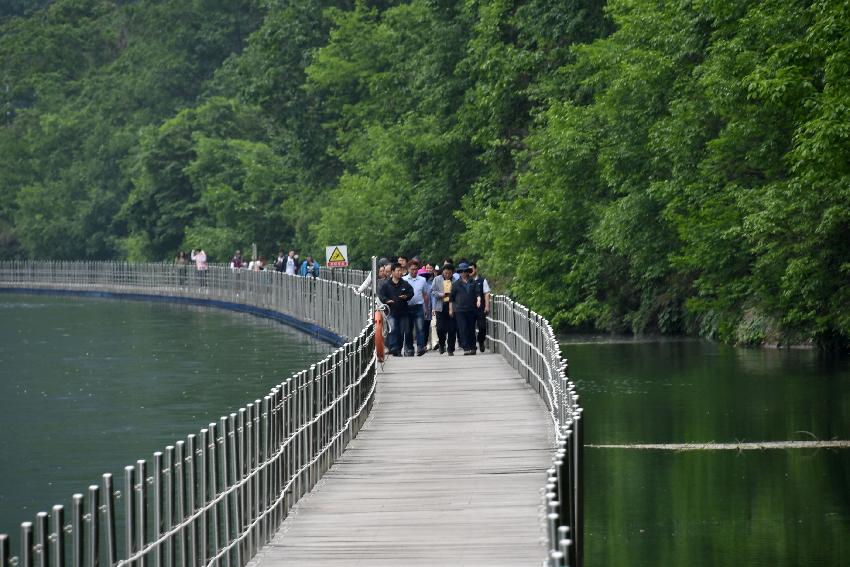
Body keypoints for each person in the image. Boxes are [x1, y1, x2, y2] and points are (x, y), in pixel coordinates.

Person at [378, 262, 414, 357]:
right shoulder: (386, 284)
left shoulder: (405, 284)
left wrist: (406, 297)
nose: (400, 272)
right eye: (398, 271)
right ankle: (393, 347)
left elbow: (411, 293)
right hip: (391, 311)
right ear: (392, 272)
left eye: (401, 271)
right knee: (393, 329)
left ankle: (398, 349)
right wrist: (386, 300)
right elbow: (381, 295)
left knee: (402, 331)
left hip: (403, 311)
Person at [449, 262, 478, 355]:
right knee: (462, 328)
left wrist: (479, 300)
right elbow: (451, 298)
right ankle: (466, 347)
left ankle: (473, 347)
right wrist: (451, 309)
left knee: (471, 328)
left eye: (465, 271)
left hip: (471, 308)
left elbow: (477, 293)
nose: (463, 273)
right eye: (461, 271)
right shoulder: (455, 284)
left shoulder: (473, 282)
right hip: (459, 309)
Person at [402, 259, 429, 356]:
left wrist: (426, 308)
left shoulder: (422, 280)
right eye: (412, 269)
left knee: (420, 328)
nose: (414, 271)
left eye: (416, 269)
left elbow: (425, 294)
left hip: (418, 306)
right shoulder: (404, 280)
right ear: (408, 269)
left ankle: (421, 347)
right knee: (408, 329)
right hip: (407, 307)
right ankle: (409, 348)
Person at [430, 263, 457, 355]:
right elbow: (433, 291)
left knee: (452, 329)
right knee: (440, 328)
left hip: (453, 307)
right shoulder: (437, 279)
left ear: (452, 273)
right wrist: (442, 294)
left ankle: (451, 349)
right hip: (440, 307)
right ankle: (442, 344)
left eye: (449, 273)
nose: (447, 275)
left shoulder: (456, 280)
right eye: (445, 273)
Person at [469, 262, 492, 352]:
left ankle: (481, 341)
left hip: (480, 308)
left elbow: (486, 293)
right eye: (468, 270)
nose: (470, 271)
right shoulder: (466, 281)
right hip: (469, 308)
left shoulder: (482, 281)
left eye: (472, 269)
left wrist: (487, 306)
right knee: (470, 328)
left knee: (482, 327)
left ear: (475, 269)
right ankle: (473, 346)